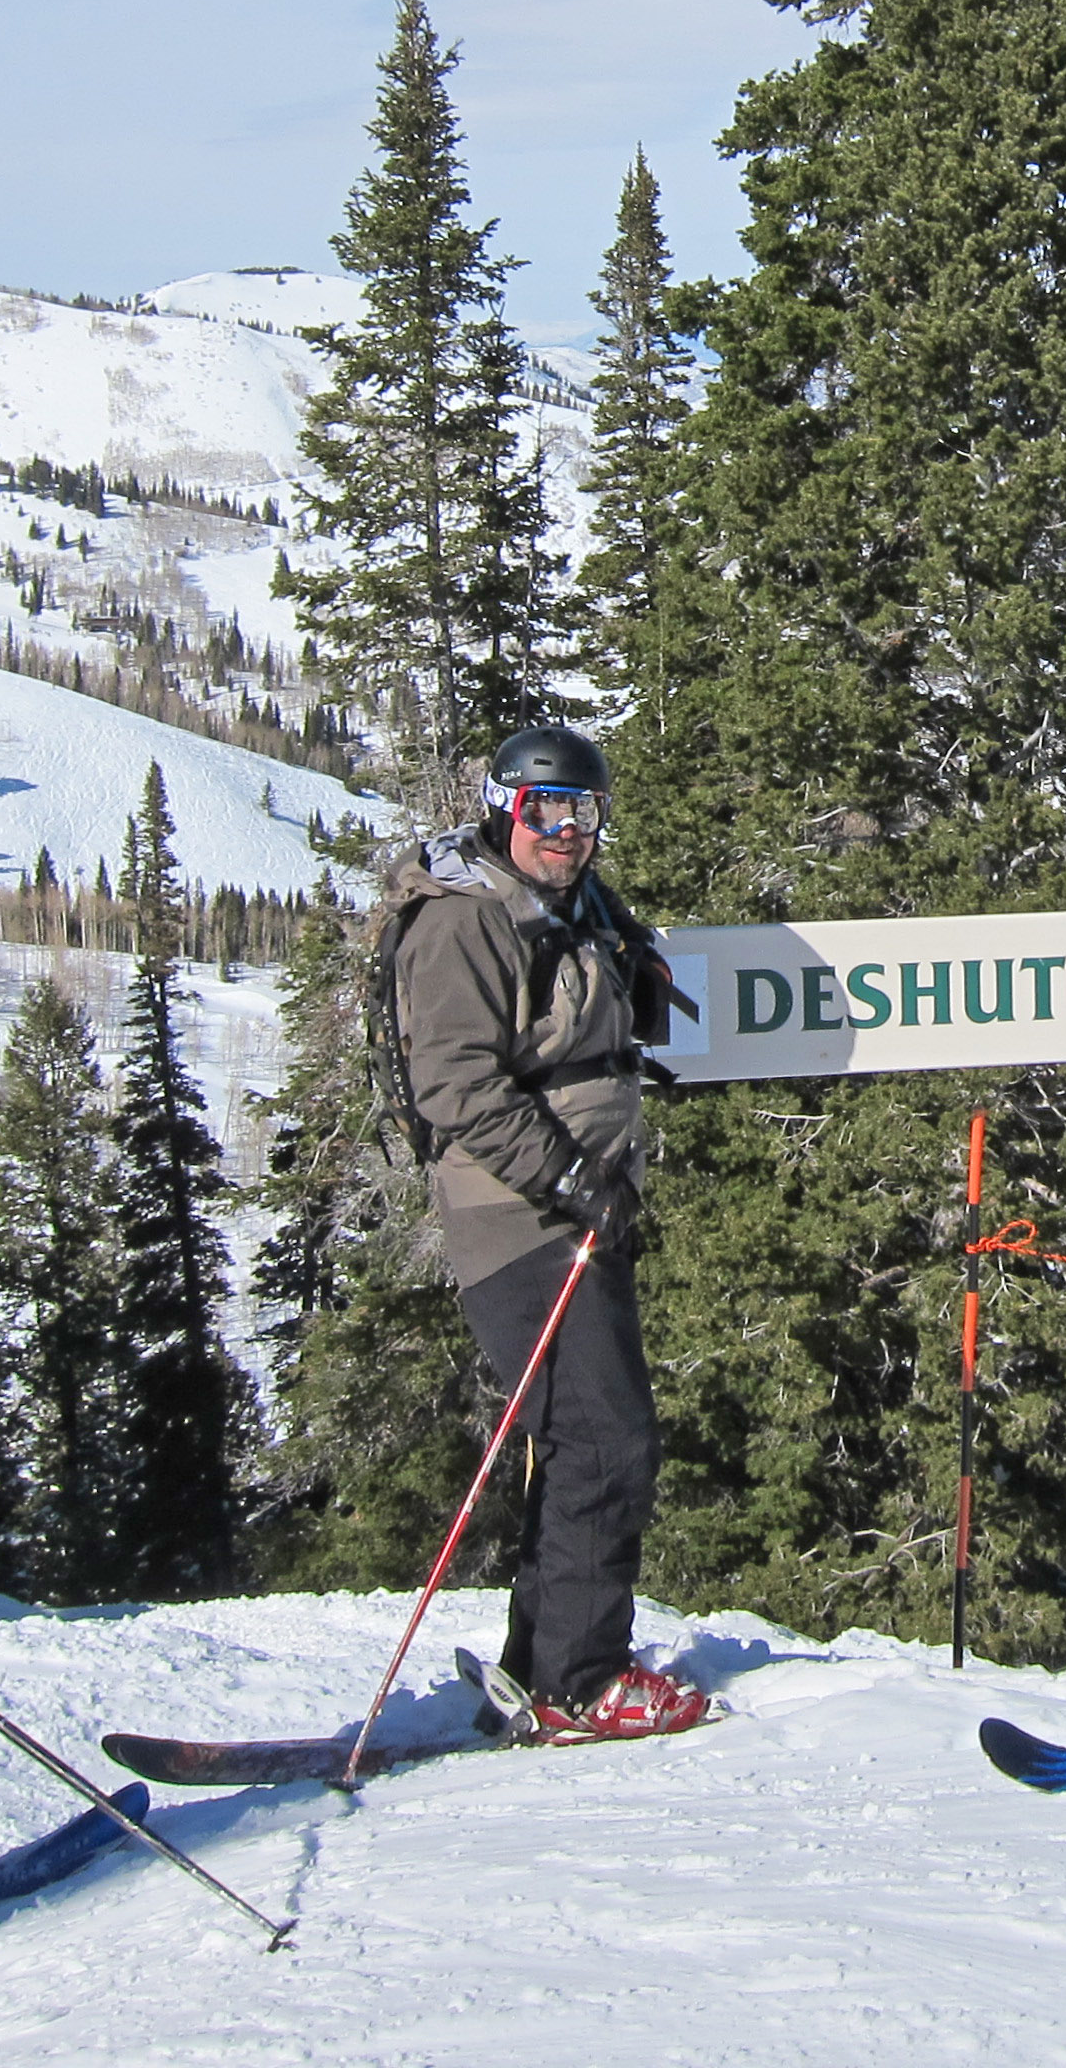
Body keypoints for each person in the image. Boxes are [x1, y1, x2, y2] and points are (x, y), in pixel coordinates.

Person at [378, 723, 707, 1744]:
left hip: (572, 1204)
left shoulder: (562, 904)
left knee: (584, 1435)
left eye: (583, 813)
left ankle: (545, 1659)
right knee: (606, 1438)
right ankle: (579, 1679)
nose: (564, 831)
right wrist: (570, 1176)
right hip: (520, 1215)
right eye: (544, 811)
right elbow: (457, 1086)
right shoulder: (464, 922)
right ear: (500, 809)